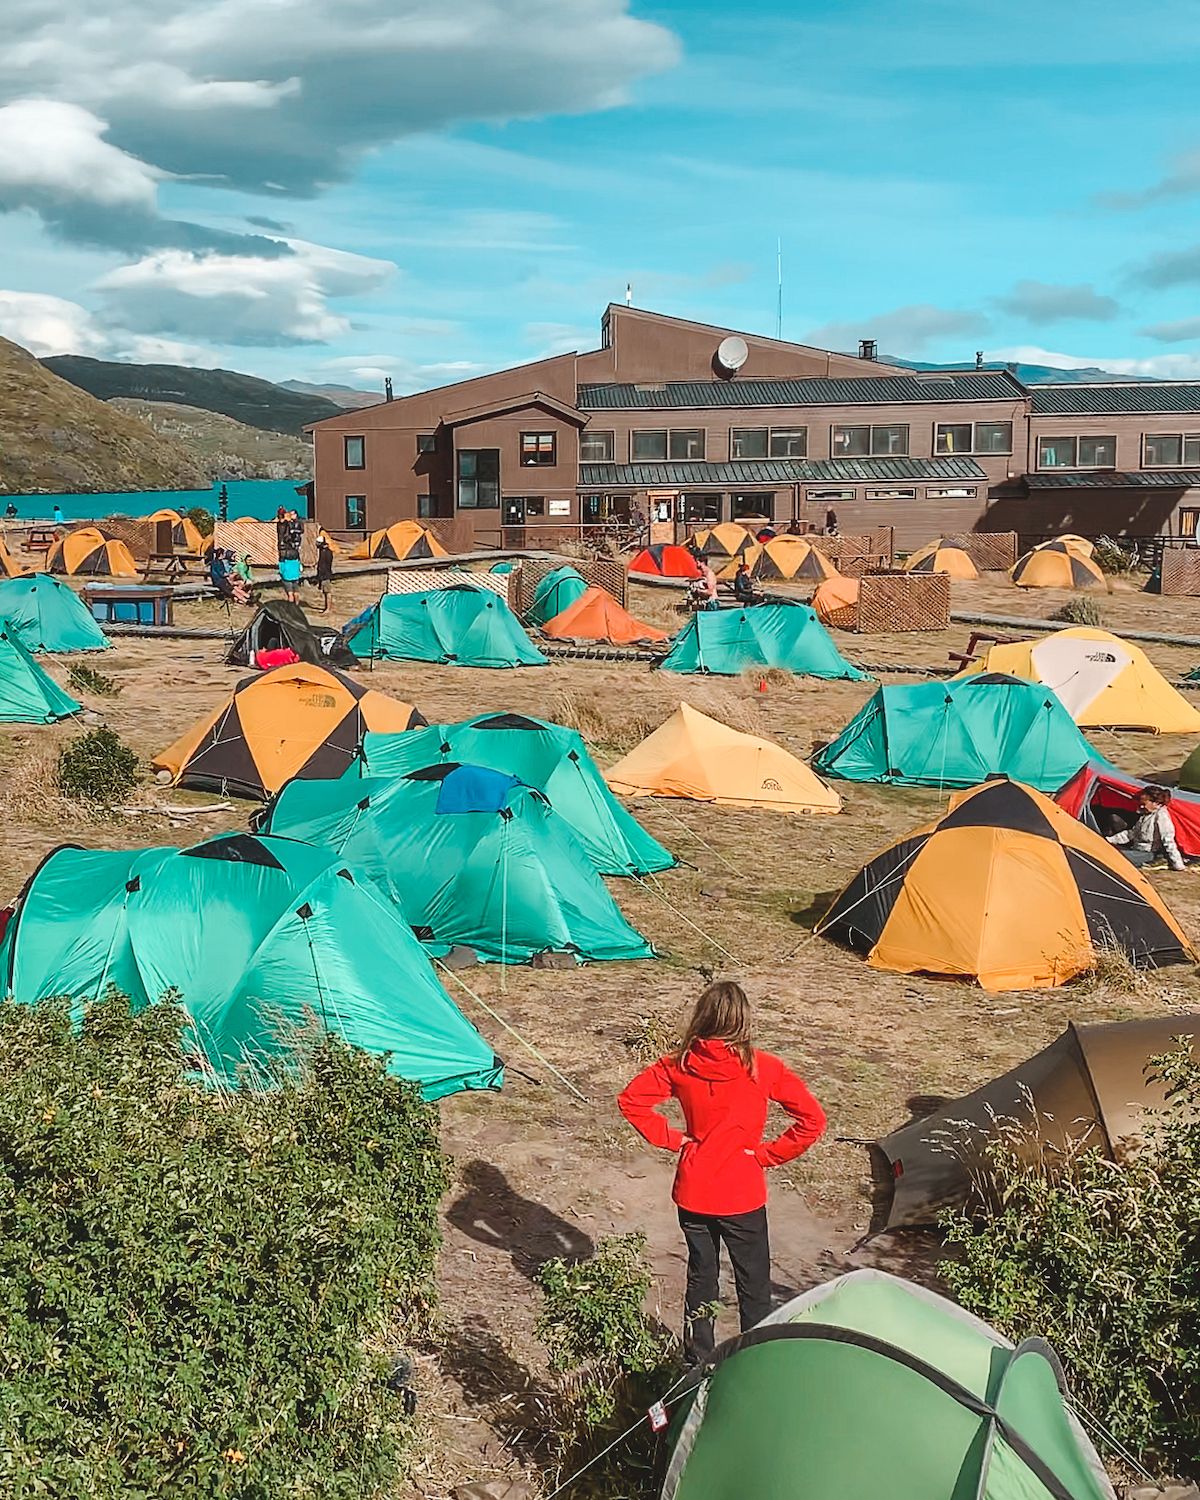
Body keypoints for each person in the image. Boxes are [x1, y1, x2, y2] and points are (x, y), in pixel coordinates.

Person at [618, 982, 825, 1362]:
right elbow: (812, 1120)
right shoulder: (762, 1068)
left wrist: (674, 1139)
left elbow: (631, 1100)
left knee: (701, 1278)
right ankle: (757, 1361)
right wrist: (767, 1155)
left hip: (695, 1191)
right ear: (744, 1021)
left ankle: (697, 1361)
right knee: (754, 1285)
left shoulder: (679, 1065)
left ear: (702, 1016)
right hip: (741, 1193)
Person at [1106, 786, 1185, 871]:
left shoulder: (1162, 817)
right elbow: (1131, 833)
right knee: (1110, 850)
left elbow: (1168, 840)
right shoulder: (1145, 815)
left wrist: (1178, 864)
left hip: (1148, 853)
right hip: (1136, 849)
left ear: (1156, 803)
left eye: (1144, 804)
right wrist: (1110, 840)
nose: (1142, 807)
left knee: (1116, 857)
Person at [276, 507, 304, 604]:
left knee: (290, 593)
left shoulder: (285, 525)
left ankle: (291, 608)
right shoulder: (295, 556)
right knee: (296, 592)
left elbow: (282, 565)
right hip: (295, 575)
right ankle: (296, 606)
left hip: (287, 575)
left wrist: (281, 571)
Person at [314, 530, 334, 612]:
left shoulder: (326, 552)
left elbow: (325, 564)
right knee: (325, 592)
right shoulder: (323, 551)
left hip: (325, 574)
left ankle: (328, 608)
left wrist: (322, 574)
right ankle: (326, 607)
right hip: (324, 574)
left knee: (327, 592)